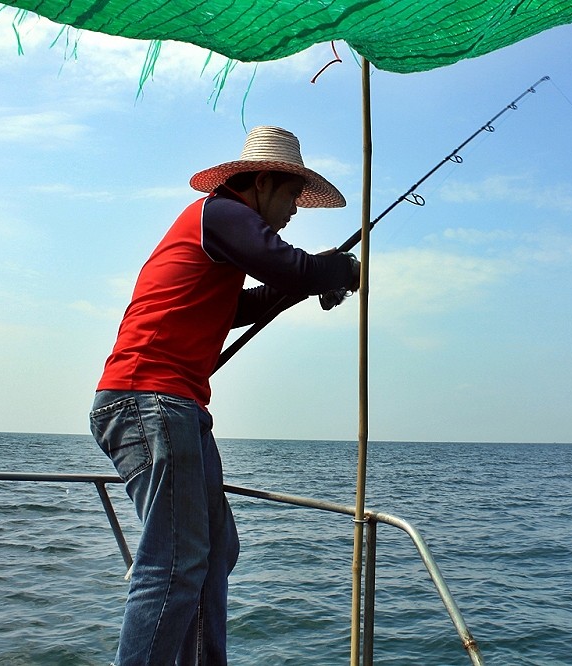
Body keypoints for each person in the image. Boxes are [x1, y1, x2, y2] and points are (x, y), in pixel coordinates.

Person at [89, 126, 360, 665]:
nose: (294, 211)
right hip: (151, 401)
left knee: (212, 553)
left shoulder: (219, 235)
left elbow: (242, 306)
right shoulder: (223, 213)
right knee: (175, 563)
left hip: (167, 407)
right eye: (291, 197)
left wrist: (304, 284)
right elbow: (293, 267)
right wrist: (342, 269)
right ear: (262, 182)